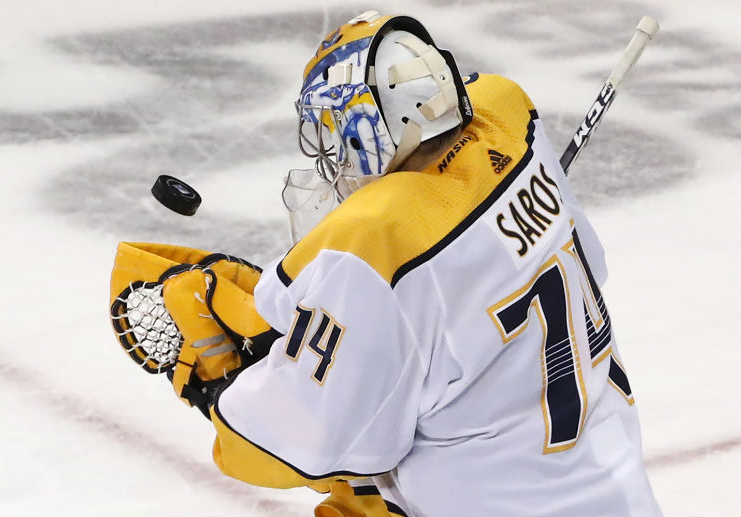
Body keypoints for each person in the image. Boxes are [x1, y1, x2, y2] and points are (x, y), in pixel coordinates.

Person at [110, 10, 662, 517]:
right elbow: (587, 263)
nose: (333, 154)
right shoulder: (510, 122)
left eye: (336, 130)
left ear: (370, 124)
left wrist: (220, 390)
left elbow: (290, 446)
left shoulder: (377, 240)